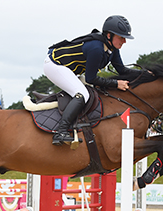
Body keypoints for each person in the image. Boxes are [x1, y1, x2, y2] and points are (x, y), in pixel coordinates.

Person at [44, 15, 133, 145]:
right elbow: (91, 79)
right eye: (121, 37)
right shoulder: (96, 48)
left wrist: (147, 74)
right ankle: (61, 132)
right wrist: (115, 83)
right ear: (109, 35)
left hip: (69, 69)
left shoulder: (112, 49)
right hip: (54, 65)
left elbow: (123, 71)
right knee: (82, 94)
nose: (124, 41)